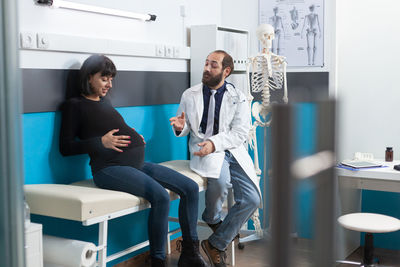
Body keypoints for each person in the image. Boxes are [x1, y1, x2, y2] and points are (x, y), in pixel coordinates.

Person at [59, 54, 209, 267]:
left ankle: (190, 254)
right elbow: (65, 147)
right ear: (89, 76)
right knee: (160, 197)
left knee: (190, 187)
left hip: (135, 165)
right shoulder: (74, 105)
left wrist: (133, 136)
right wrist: (100, 142)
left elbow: (113, 129)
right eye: (104, 79)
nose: (109, 85)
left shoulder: (104, 102)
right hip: (108, 169)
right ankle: (158, 260)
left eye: (111, 79)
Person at [169, 50, 261, 267]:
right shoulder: (189, 95)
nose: (206, 69)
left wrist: (215, 143)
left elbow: (240, 132)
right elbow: (186, 125)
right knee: (220, 182)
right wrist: (181, 129)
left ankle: (215, 243)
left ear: (226, 71)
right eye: (206, 63)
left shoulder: (238, 97)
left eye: (213, 65)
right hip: (203, 150)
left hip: (232, 150)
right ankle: (212, 218)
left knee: (252, 200)